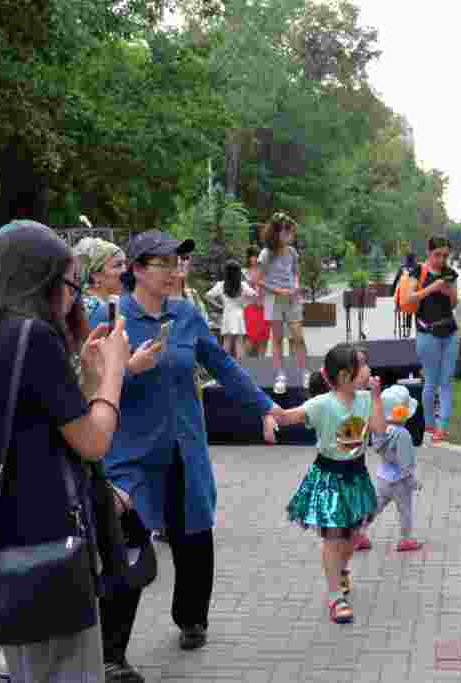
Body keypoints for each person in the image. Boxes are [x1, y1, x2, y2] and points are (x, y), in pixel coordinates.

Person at [0, 220, 130, 683]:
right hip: (50, 547)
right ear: (39, 279)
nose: (73, 297)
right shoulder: (31, 338)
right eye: (71, 285)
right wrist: (115, 373)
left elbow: (31, 425)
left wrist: (85, 379)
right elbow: (93, 441)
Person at [90, 230, 278, 680]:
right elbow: (89, 385)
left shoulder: (187, 315)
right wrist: (129, 370)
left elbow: (225, 367)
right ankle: (111, 654)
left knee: (195, 536)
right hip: (131, 455)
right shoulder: (111, 315)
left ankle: (192, 619)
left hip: (184, 447)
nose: (176, 271)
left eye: (177, 262)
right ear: (136, 270)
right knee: (129, 549)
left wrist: (266, 406)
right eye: (165, 264)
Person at [280, 344, 384, 625]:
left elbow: (378, 429)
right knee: (333, 537)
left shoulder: (365, 399)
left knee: (352, 536)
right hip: (329, 479)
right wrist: (269, 414)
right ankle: (335, 597)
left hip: (356, 476)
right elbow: (291, 415)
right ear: (344, 375)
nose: (368, 370)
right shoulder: (322, 404)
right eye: (362, 366)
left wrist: (376, 399)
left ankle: (340, 570)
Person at [354, 385, 423, 553]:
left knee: (375, 506)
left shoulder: (379, 432)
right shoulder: (403, 435)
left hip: (383, 477)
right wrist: (412, 480)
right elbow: (405, 463)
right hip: (400, 481)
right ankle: (406, 539)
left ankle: (358, 533)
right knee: (405, 510)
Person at [406, 237, 459, 442]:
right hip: (426, 333)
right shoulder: (418, 272)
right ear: (429, 253)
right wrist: (432, 288)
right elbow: (410, 298)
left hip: (450, 331)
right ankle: (429, 424)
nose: (442, 259)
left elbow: (453, 304)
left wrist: (448, 292)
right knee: (431, 381)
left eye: (445, 255)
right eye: (437, 255)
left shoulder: (450, 273)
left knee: (446, 381)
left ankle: (442, 426)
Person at [258, 212, 308, 394]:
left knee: (298, 336)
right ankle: (280, 375)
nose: (291, 237)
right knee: (277, 339)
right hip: (273, 300)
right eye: (289, 233)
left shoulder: (292, 252)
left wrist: (295, 286)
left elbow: (295, 273)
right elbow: (259, 280)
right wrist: (277, 291)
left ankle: (302, 371)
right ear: (278, 233)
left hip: (292, 299)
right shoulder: (266, 254)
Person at [206, 260, 257, 361]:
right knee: (239, 341)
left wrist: (218, 306)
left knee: (227, 341)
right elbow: (255, 296)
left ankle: (224, 367)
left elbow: (207, 296)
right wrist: (245, 304)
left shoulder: (221, 285)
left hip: (227, 313)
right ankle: (241, 367)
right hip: (239, 313)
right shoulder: (242, 285)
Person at [73, 237, 126, 319]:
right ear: (96, 275)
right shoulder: (91, 311)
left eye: (125, 264)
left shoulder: (108, 304)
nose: (125, 270)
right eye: (118, 265)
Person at [243, 248, 270, 358]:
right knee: (251, 337)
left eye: (256, 256)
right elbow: (242, 291)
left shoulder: (265, 271)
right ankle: (243, 365)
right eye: (251, 256)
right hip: (251, 307)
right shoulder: (244, 272)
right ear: (248, 258)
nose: (254, 258)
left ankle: (261, 365)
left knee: (264, 338)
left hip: (265, 307)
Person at [391, 253, 418, 336]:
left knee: (400, 290)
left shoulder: (402, 268)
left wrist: (392, 292)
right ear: (414, 259)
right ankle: (418, 329)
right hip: (415, 298)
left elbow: (395, 281)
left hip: (403, 300)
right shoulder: (418, 268)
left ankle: (407, 329)